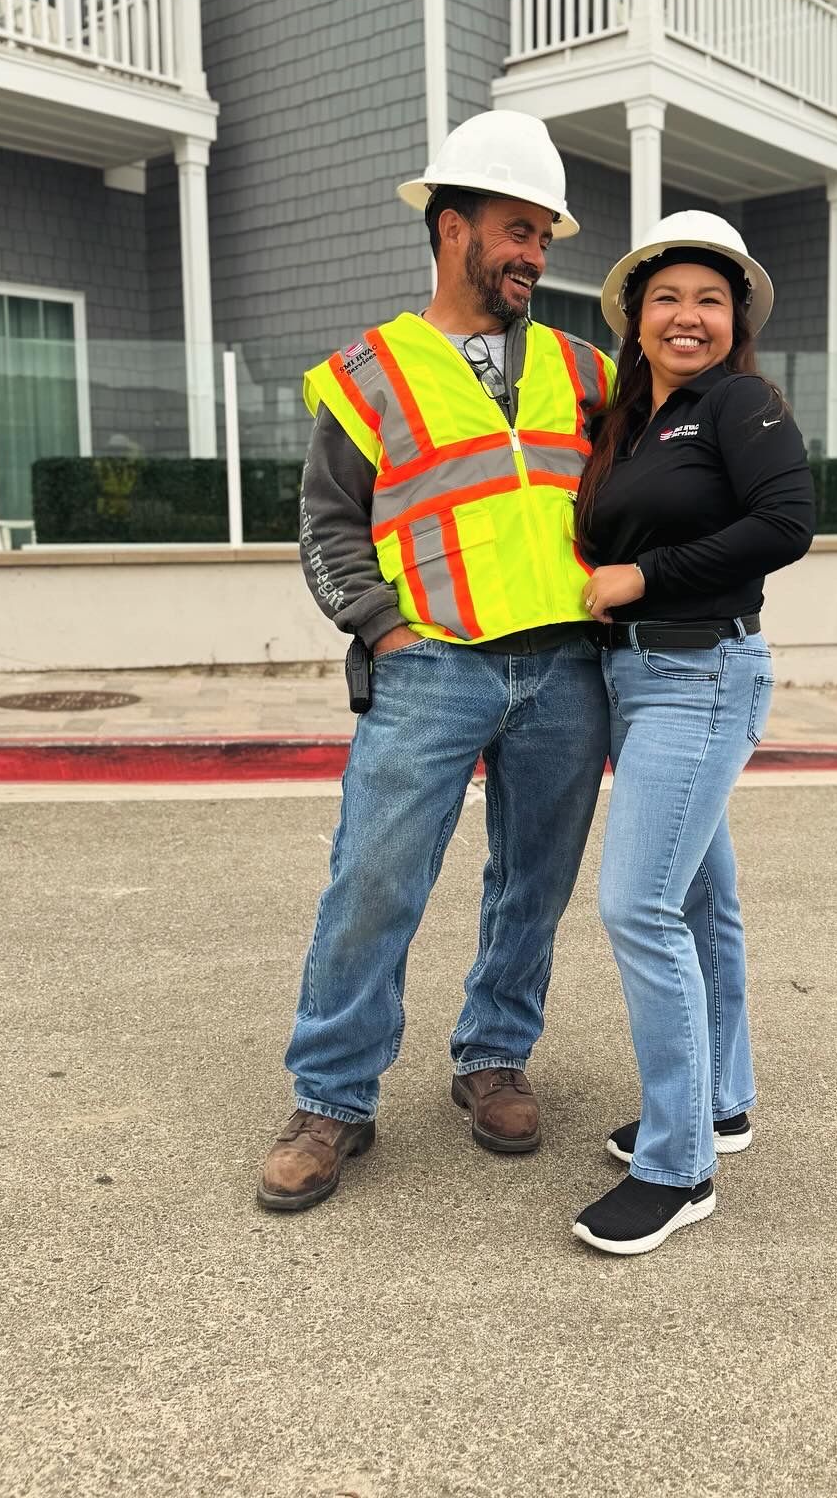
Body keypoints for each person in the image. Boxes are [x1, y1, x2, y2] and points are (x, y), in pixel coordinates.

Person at [257, 112, 615, 1214]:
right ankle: (332, 1099)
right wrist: (383, 629)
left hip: (565, 670)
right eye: (516, 230)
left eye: (544, 238)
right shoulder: (368, 374)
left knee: (533, 886)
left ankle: (493, 1059)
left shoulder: (585, 368)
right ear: (452, 228)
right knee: (373, 881)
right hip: (433, 670)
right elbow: (329, 529)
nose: (534, 255)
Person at [569, 212, 815, 1256]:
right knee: (703, 899)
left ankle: (679, 1167)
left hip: (700, 670)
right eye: (667, 297)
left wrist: (641, 577)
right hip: (640, 677)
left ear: (736, 320)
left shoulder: (740, 402)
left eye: (710, 300)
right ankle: (721, 1102)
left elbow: (785, 525)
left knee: (638, 906)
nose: (688, 316)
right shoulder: (633, 422)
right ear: (635, 315)